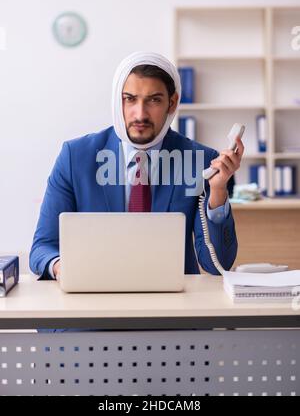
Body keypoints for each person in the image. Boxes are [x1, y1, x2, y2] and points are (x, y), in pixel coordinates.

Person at [29, 51, 244, 282]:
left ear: (172, 103)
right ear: (117, 100)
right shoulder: (76, 156)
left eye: (154, 100)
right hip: (94, 298)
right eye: (129, 99)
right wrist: (62, 266)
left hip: (174, 306)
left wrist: (219, 191)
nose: (140, 114)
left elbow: (216, 264)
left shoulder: (199, 160)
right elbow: (42, 248)